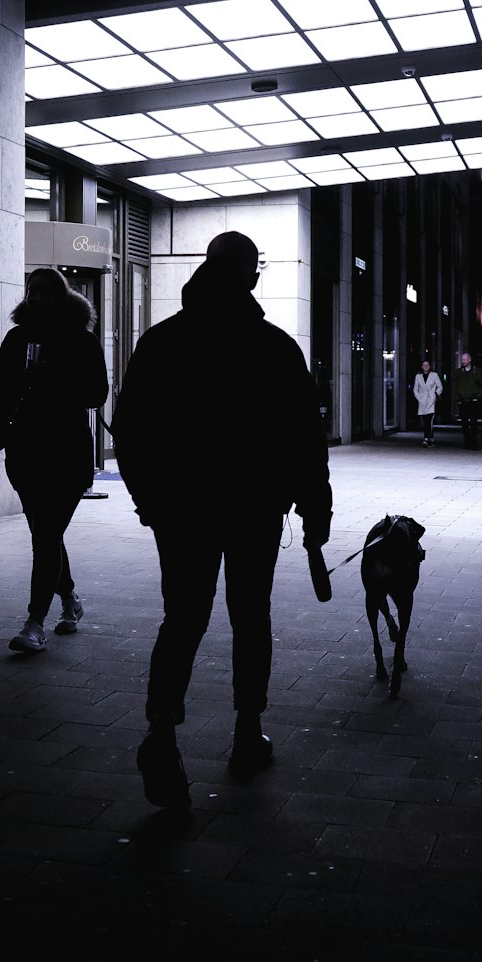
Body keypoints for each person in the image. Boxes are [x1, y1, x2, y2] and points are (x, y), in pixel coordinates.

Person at [111, 231, 333, 811]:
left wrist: (148, 499)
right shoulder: (274, 347)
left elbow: (129, 429)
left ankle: (162, 728)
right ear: (252, 277)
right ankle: (246, 731)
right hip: (254, 507)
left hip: (182, 508)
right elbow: (305, 440)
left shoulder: (162, 341)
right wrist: (315, 512)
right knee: (249, 617)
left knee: (182, 618)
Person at [0, 268, 108, 654]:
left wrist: (54, 377)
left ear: (62, 298)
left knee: (46, 534)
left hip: (67, 451)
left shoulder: (82, 341)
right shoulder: (16, 338)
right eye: (32, 292)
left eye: (46, 293)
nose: (37, 299)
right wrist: (23, 382)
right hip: (25, 449)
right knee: (46, 533)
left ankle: (34, 621)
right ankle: (70, 599)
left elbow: (97, 393)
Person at [454, 351, 482, 449]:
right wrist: (457, 398)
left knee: (473, 423)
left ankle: (473, 442)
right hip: (462, 401)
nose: (463, 361)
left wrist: (478, 397)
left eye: (464, 359)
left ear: (469, 360)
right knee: (464, 424)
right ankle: (467, 442)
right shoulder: (458, 372)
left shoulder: (477, 371)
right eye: (462, 359)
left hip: (473, 401)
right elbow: (454, 386)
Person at [412, 357, 443, 447]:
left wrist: (435, 395)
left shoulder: (434, 375)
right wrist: (418, 398)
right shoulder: (418, 376)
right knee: (426, 421)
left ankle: (426, 439)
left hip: (431, 400)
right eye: (424, 365)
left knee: (429, 420)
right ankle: (431, 438)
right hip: (422, 401)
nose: (426, 366)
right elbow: (415, 389)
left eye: (427, 365)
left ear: (429, 366)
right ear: (422, 367)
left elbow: (440, 386)